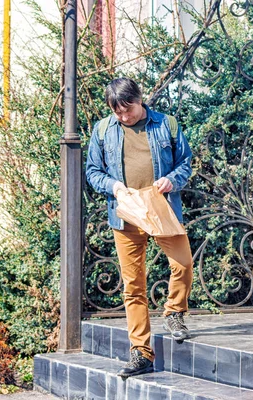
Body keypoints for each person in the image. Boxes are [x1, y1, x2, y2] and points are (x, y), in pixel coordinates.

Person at [86, 77, 194, 378]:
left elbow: (185, 161)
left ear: (139, 99)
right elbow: (93, 171)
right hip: (126, 214)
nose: (123, 116)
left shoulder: (166, 124)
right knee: (133, 285)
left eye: (128, 109)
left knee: (183, 263)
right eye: (117, 111)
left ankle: (174, 311)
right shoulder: (103, 130)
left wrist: (173, 179)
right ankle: (141, 353)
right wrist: (114, 187)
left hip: (161, 209)